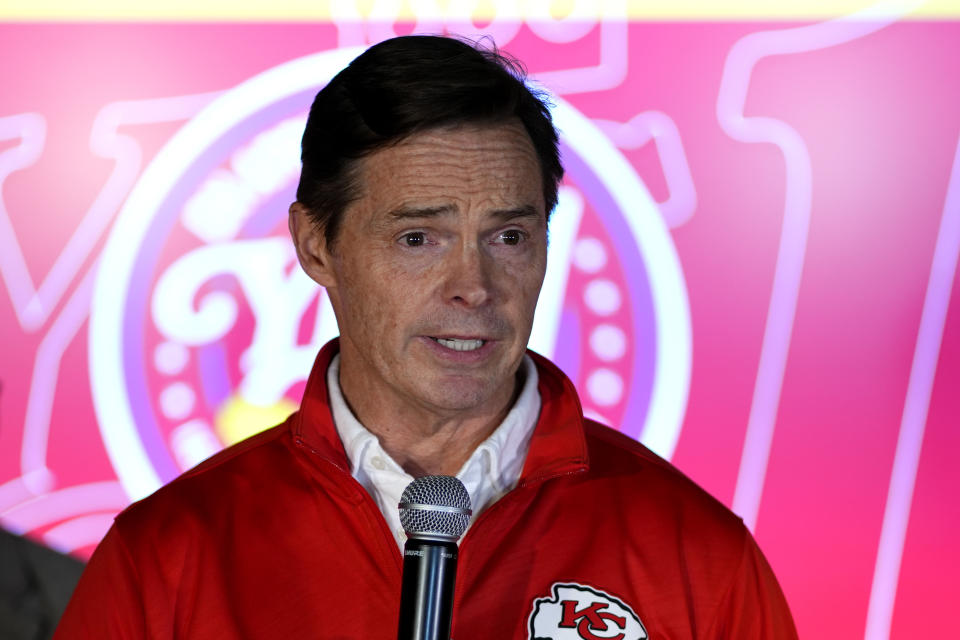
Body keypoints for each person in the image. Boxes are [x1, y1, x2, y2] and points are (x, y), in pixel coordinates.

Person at [55, 35, 797, 639]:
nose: (473, 286)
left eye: (509, 235)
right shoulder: (167, 559)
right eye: (419, 238)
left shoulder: (697, 555)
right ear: (317, 247)